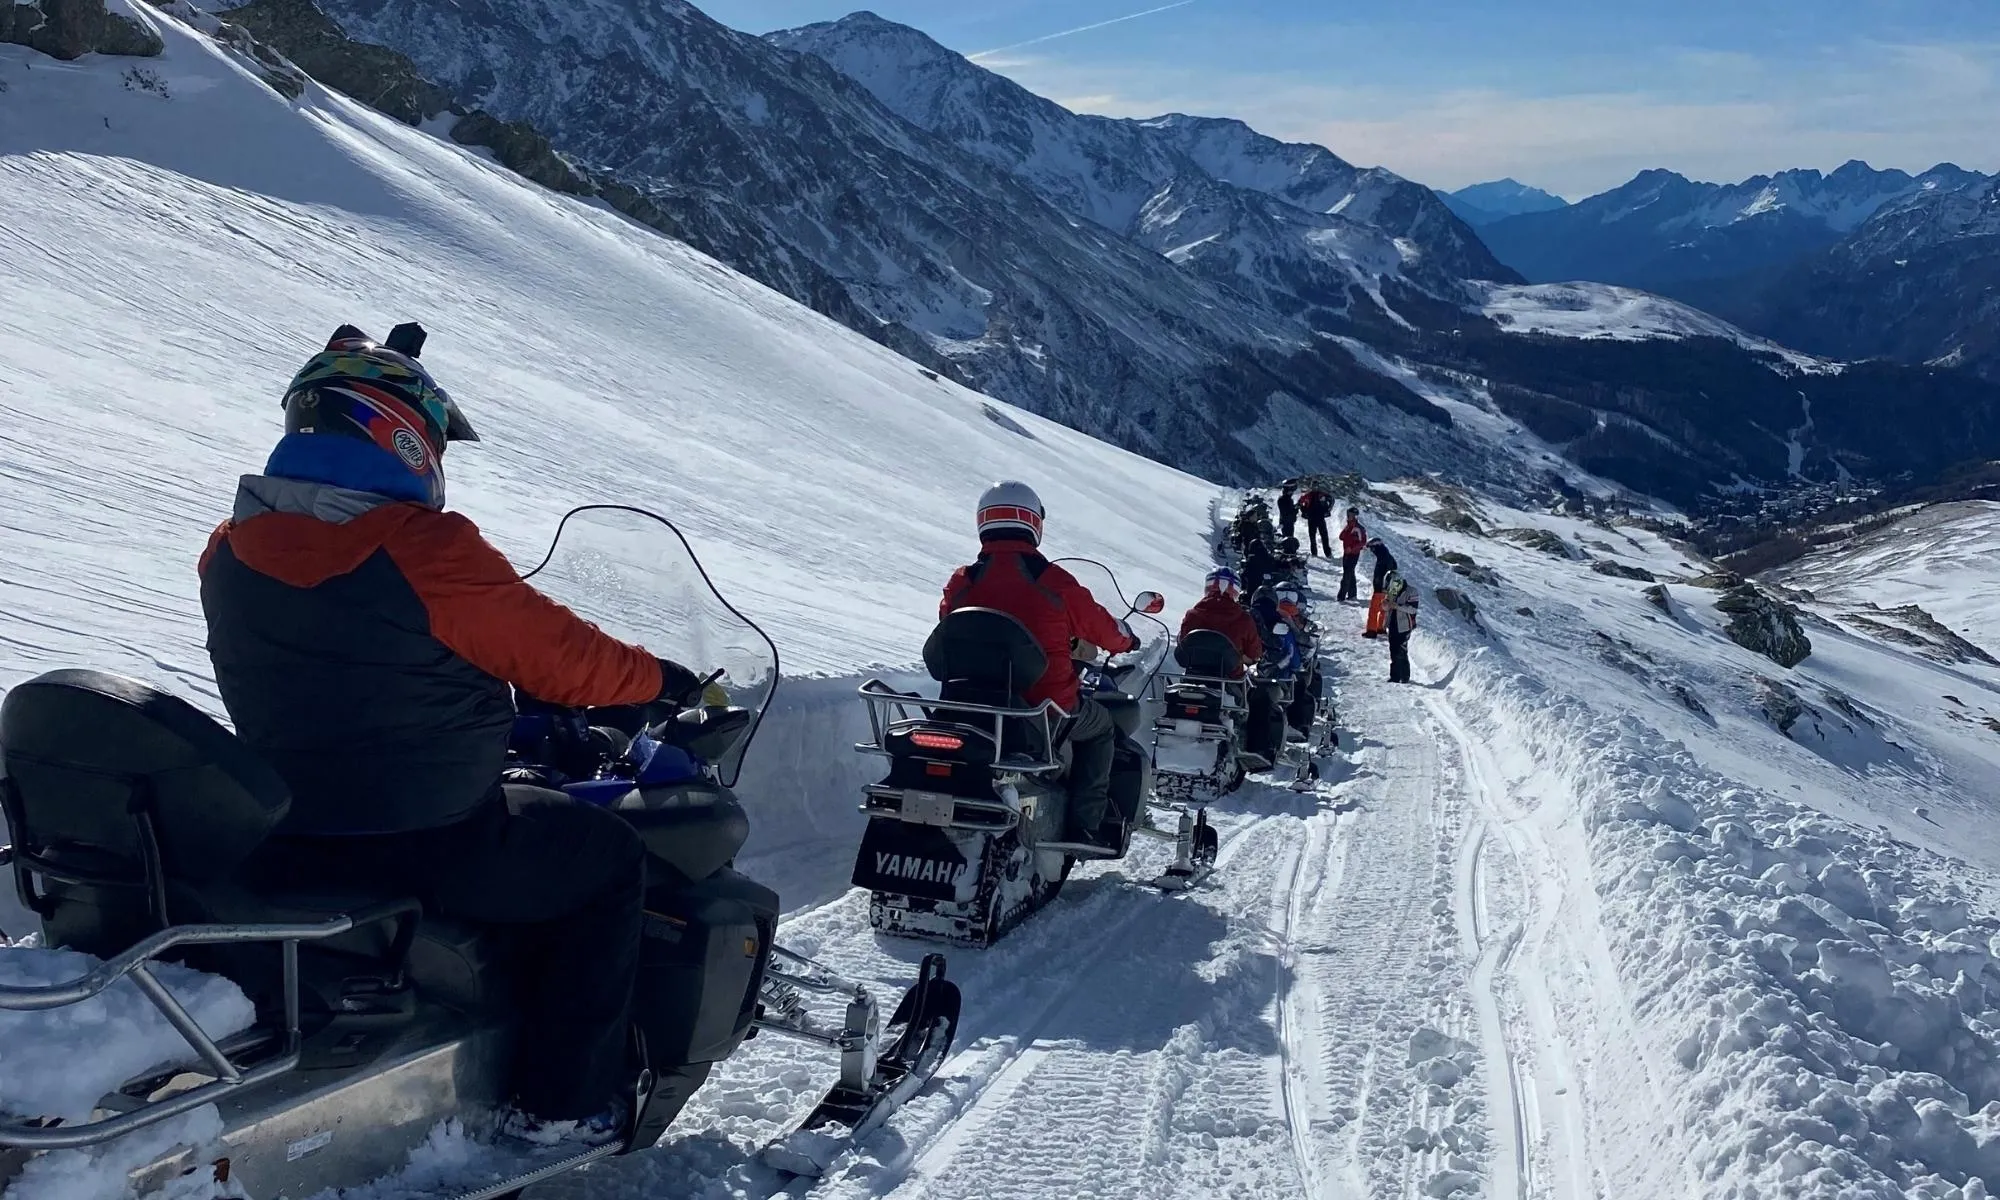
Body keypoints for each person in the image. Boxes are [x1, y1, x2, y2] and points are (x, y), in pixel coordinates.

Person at [200, 323, 707, 1146]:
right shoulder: (423, 547)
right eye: (433, 440)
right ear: (398, 436)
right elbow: (562, 657)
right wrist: (658, 681)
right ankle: (563, 1107)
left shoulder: (226, 550)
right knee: (607, 863)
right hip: (430, 836)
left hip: (289, 830)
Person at [940, 480, 1140, 849]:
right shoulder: (1053, 581)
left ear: (983, 522)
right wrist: (1127, 639)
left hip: (966, 704)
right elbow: (1103, 630)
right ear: (1034, 524)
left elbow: (953, 626)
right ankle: (1085, 827)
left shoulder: (963, 581)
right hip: (1042, 709)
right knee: (1101, 730)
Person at [1178, 569, 1280, 766]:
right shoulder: (1243, 618)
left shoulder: (1192, 615)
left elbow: (1182, 644)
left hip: (1192, 680)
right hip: (1229, 682)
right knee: (1261, 697)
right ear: (1235, 591)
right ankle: (1258, 749)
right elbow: (1255, 654)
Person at [1384, 572, 1421, 683]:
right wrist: (1385, 605)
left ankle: (1404, 676)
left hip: (1405, 625)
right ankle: (1395, 676)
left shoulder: (1411, 591)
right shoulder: (1392, 590)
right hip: (1393, 623)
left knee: (1401, 651)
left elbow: (1413, 609)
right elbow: (1387, 605)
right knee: (1393, 650)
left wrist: (1397, 606)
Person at [1364, 536, 1398, 639]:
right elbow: (1395, 568)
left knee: (1374, 609)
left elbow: (1381, 574)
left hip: (1381, 588)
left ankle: (1371, 631)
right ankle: (1381, 628)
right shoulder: (1388, 556)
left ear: (1376, 547)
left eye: (1372, 548)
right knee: (1383, 609)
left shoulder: (1382, 558)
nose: (1371, 551)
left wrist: (1379, 585)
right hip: (1389, 589)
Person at [1337, 507, 1368, 602]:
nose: (1348, 516)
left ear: (1355, 516)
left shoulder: (1359, 528)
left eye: (1350, 515)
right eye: (1348, 514)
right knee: (1350, 573)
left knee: (1346, 575)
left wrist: (1352, 548)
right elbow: (1341, 537)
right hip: (1346, 553)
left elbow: (1363, 542)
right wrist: (1346, 529)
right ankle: (1352, 594)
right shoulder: (1349, 526)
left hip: (1353, 554)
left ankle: (1341, 596)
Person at [1301, 487, 1334, 558]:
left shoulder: (1309, 495)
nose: (1315, 488)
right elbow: (1331, 499)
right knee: (1322, 536)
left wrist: (1304, 512)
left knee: (1315, 536)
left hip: (1313, 518)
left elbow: (1300, 503)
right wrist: (1328, 510)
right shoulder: (1321, 494)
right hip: (1318, 518)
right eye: (1314, 486)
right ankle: (1326, 553)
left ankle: (1316, 554)